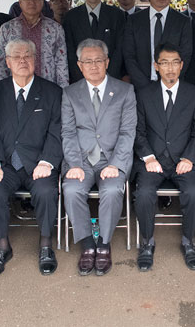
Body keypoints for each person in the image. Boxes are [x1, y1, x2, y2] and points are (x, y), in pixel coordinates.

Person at [0, 39, 63, 278]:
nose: (23, 61)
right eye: (17, 57)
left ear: (35, 60)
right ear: (8, 62)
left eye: (28, 56)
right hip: (6, 164)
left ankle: (46, 244)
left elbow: (56, 131)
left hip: (39, 164)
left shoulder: (51, 92)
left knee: (47, 192)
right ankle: (2, 246)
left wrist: (47, 162)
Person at [61, 39, 137, 276]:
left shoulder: (125, 91)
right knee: (72, 190)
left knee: (113, 190)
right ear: (79, 65)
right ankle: (86, 244)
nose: (93, 66)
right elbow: (68, 132)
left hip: (112, 158)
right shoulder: (70, 92)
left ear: (107, 62)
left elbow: (127, 132)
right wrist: (73, 163)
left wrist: (116, 164)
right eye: (87, 61)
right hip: (81, 160)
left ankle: (103, 244)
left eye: (98, 61)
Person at [133, 42, 195, 272]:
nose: (170, 68)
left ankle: (188, 241)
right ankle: (146, 242)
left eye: (175, 62)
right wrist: (148, 157)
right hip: (153, 160)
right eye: (165, 63)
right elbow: (138, 131)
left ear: (182, 65)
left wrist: (189, 158)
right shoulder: (143, 94)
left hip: (183, 160)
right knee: (143, 193)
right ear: (156, 66)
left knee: (194, 192)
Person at [123, 0, 193, 90]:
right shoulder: (134, 20)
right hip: (141, 87)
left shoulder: (183, 21)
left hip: (172, 86)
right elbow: (129, 56)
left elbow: (186, 55)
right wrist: (143, 84)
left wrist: (169, 82)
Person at [0, 0, 68, 87]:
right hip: (16, 92)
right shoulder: (7, 29)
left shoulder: (55, 29)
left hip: (48, 91)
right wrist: (2, 92)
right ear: (19, 2)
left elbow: (61, 64)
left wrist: (62, 93)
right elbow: (1, 65)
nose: (32, 1)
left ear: (43, 2)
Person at [62, 0, 126, 82]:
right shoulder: (71, 17)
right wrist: (83, 79)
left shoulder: (117, 15)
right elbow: (70, 53)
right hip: (80, 81)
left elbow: (119, 51)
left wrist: (108, 78)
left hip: (110, 79)